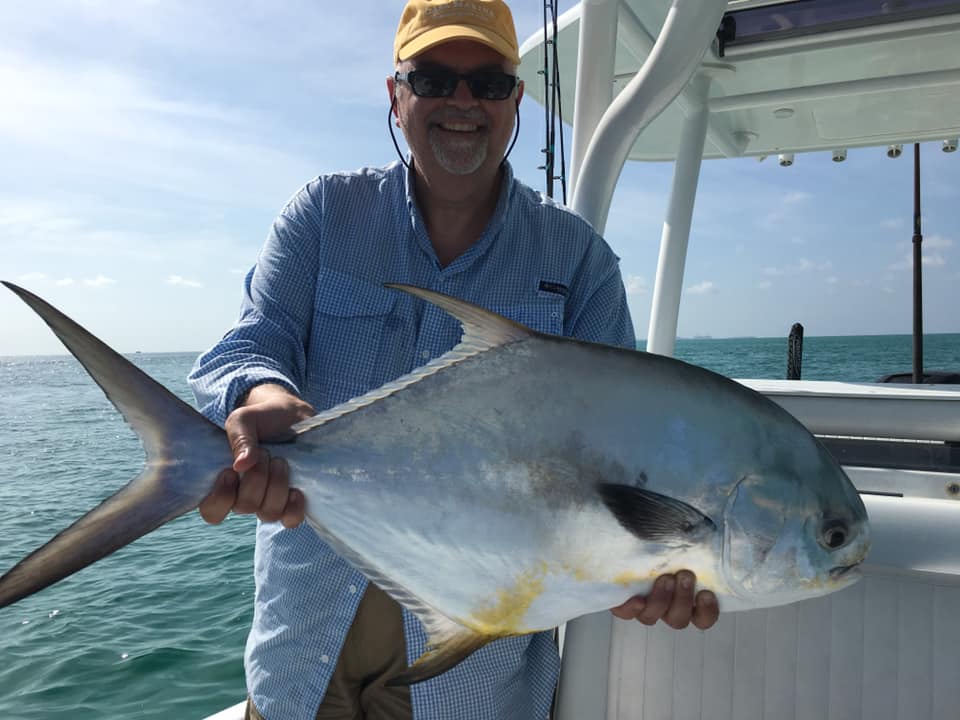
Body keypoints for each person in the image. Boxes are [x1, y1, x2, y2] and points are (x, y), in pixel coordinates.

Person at [189, 1, 719, 718]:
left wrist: (659, 563)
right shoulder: (324, 216)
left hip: (473, 680)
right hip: (306, 652)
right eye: (434, 78)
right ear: (395, 94)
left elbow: (626, 454)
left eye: (489, 84)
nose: (462, 102)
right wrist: (257, 393)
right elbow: (250, 343)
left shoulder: (577, 260)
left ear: (516, 100)